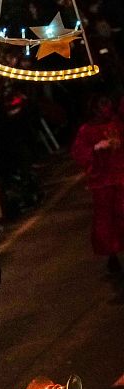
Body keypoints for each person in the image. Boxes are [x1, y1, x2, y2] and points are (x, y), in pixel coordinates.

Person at [74, 96, 124, 274]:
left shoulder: (118, 123)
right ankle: (112, 255)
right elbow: (79, 153)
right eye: (102, 105)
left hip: (120, 177)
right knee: (106, 221)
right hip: (102, 182)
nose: (106, 108)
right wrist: (95, 148)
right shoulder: (86, 130)